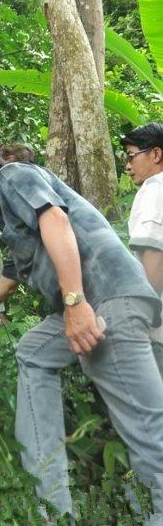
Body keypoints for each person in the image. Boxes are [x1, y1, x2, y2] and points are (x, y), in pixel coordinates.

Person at [0, 144, 163, 526]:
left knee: (149, 432)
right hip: (98, 302)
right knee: (33, 352)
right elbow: (8, 281)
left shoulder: (13, 176)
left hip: (105, 300)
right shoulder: (9, 220)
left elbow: (55, 221)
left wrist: (75, 301)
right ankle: (49, 510)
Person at [121, 122, 163, 373]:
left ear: (156, 154)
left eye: (132, 156)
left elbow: (155, 257)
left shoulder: (154, 190)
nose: (127, 165)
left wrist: (135, 319)